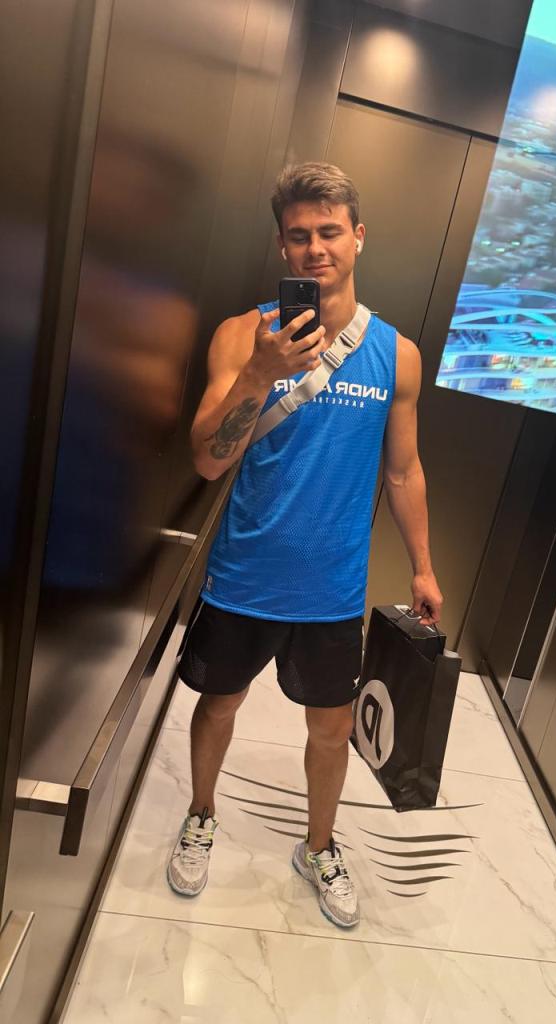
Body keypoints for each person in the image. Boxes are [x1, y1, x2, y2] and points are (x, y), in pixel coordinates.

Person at [166, 162, 443, 928]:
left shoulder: (398, 355)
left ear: (358, 236)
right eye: (299, 236)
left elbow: (404, 469)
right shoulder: (242, 334)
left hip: (333, 586)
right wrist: (261, 371)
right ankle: (200, 814)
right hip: (245, 573)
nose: (315, 248)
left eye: (329, 232)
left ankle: (319, 846)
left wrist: (423, 567)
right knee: (219, 704)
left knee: (332, 727)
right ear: (282, 247)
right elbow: (208, 460)